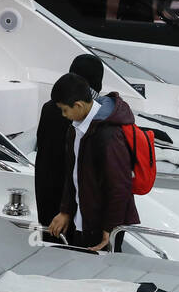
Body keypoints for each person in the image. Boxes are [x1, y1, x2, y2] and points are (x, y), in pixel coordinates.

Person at [45, 73, 140, 251]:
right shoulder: (76, 129)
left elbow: (120, 185)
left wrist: (110, 228)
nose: (64, 115)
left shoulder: (109, 135)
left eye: (65, 110)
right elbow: (72, 174)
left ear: (79, 105)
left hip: (103, 225)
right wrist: (66, 210)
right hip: (83, 220)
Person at [35, 54, 105, 231]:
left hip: (47, 193)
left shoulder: (49, 108)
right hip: (75, 206)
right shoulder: (95, 114)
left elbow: (43, 153)